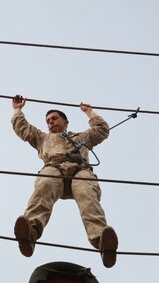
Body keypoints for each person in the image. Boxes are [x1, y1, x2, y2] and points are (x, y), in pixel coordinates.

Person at [11, 95, 118, 268]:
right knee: (44, 185)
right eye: (48, 120)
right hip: (55, 168)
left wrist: (89, 112)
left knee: (86, 195)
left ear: (65, 122)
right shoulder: (42, 138)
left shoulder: (81, 137)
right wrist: (18, 110)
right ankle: (30, 232)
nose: (50, 122)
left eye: (54, 119)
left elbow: (102, 129)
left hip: (80, 171)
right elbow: (23, 128)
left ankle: (102, 241)